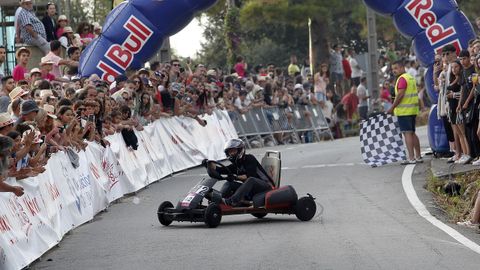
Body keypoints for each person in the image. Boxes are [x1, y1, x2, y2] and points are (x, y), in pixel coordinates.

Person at [207, 139, 274, 206]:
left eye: (233, 151)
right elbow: (220, 170)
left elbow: (250, 176)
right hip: (252, 188)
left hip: (265, 186)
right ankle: (218, 200)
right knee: (229, 183)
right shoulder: (236, 164)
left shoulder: (249, 158)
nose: (231, 153)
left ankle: (231, 201)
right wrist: (208, 164)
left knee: (251, 179)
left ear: (240, 150)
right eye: (230, 152)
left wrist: (235, 177)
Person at [387, 60, 422, 165]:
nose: (394, 71)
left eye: (396, 68)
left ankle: (411, 158)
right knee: (412, 133)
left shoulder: (402, 79)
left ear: (402, 68)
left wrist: (392, 108)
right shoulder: (410, 77)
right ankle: (418, 156)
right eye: (393, 69)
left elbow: (400, 95)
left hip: (404, 111)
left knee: (407, 133)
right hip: (412, 110)